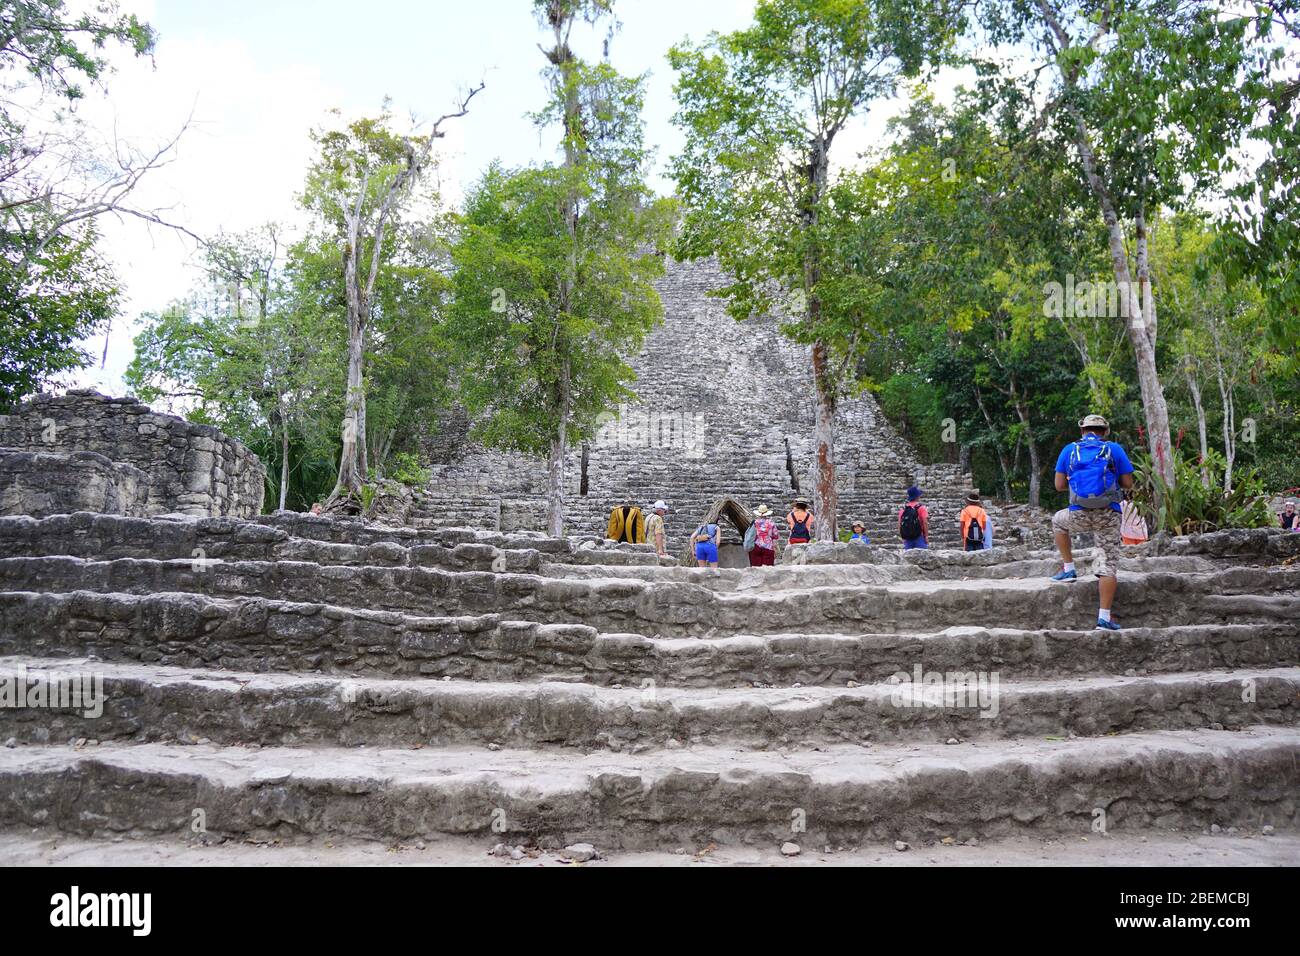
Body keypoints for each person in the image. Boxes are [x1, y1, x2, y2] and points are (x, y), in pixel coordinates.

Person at [1049, 414, 1135, 630]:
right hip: (1108, 515)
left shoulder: (1069, 450)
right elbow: (1128, 483)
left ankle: (1069, 568)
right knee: (1107, 565)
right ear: (1105, 432)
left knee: (1058, 521)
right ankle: (1104, 618)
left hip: (1078, 514)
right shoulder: (1114, 449)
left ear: (1082, 431)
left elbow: (1058, 485)